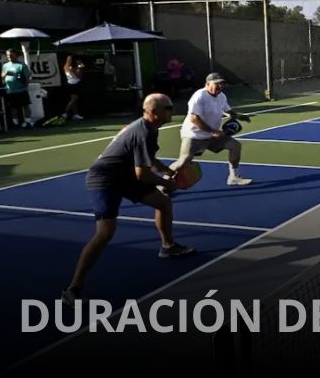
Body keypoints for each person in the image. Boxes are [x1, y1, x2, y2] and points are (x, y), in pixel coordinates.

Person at [62, 93, 193, 305]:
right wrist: (167, 183)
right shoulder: (143, 132)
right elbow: (142, 174)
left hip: (125, 176)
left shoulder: (150, 128)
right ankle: (72, 289)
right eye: (167, 107)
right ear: (153, 112)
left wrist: (166, 170)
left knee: (163, 203)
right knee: (105, 232)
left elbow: (147, 159)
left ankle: (168, 246)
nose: (172, 110)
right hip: (104, 179)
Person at [171, 73, 252, 186]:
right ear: (207, 83)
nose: (220, 86)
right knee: (183, 161)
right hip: (193, 135)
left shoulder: (222, 96)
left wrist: (239, 116)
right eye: (217, 84)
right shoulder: (199, 96)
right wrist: (213, 131)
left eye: (222, 84)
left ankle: (233, 177)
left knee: (235, 146)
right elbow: (194, 118)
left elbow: (227, 110)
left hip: (211, 136)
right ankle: (163, 182)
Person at [0, 49, 31, 128]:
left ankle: (28, 122)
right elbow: (2, 77)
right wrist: (6, 74)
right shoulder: (5, 65)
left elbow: (26, 77)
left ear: (16, 55)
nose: (9, 56)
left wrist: (25, 86)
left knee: (25, 106)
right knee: (13, 107)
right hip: (10, 90)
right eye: (7, 55)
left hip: (21, 90)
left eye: (11, 55)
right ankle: (15, 123)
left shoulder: (22, 65)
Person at [63, 55, 85, 120]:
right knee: (74, 99)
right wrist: (80, 66)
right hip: (73, 84)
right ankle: (65, 113)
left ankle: (75, 114)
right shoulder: (69, 67)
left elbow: (80, 70)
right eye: (70, 59)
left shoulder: (67, 66)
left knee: (73, 101)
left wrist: (79, 66)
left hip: (71, 84)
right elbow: (78, 75)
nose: (71, 61)